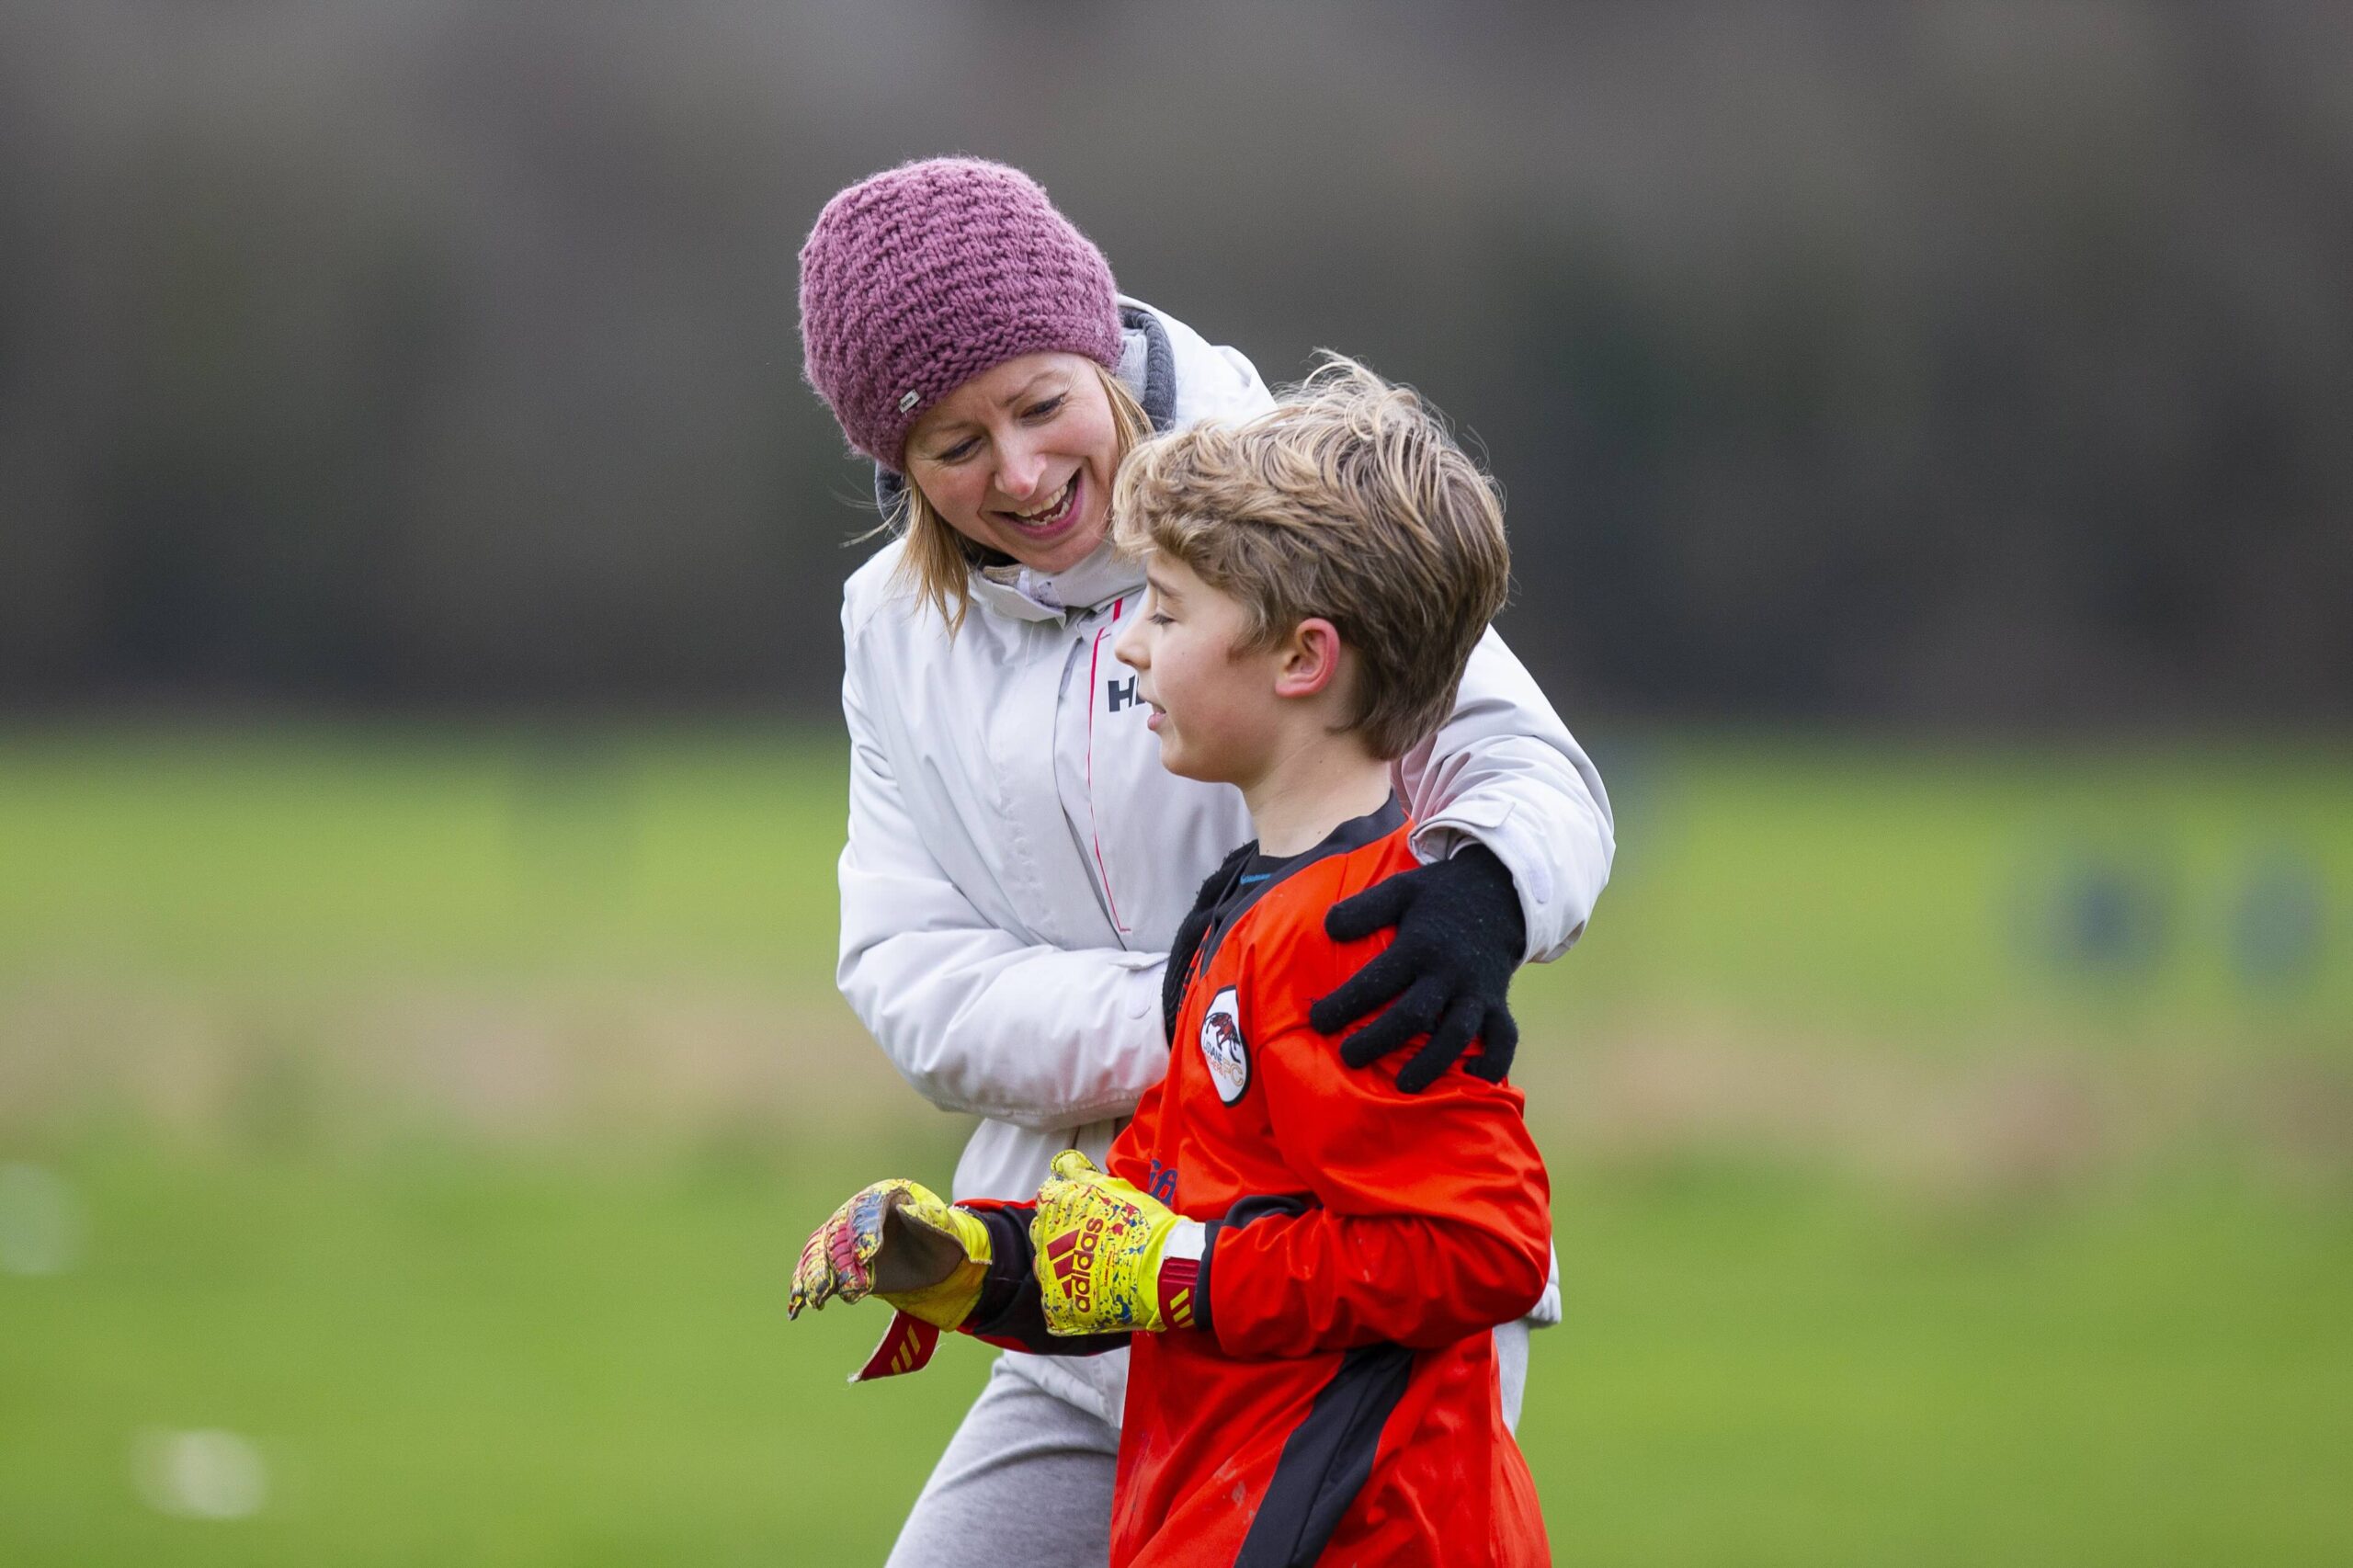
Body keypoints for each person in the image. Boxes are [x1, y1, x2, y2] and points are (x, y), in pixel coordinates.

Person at [796, 156, 1610, 1568]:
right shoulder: (890, 621)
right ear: (893, 461)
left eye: (1042, 405)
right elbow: (904, 965)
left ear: (1100, 340)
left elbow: (1529, 774)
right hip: (1093, 1287)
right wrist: (1202, 1021)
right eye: (955, 444)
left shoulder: (1288, 494)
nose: (1025, 471)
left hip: (1340, 1327)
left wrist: (1481, 894)